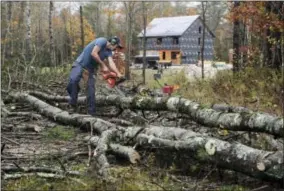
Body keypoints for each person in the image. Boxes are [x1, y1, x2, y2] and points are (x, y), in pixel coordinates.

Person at [66, 36, 124, 116]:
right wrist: (103, 65)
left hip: (90, 70)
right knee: (73, 81)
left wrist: (118, 73)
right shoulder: (102, 41)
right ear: (113, 42)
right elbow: (94, 53)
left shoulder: (109, 52)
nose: (115, 49)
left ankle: (91, 113)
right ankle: (72, 105)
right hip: (80, 64)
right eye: (116, 46)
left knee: (91, 90)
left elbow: (111, 63)